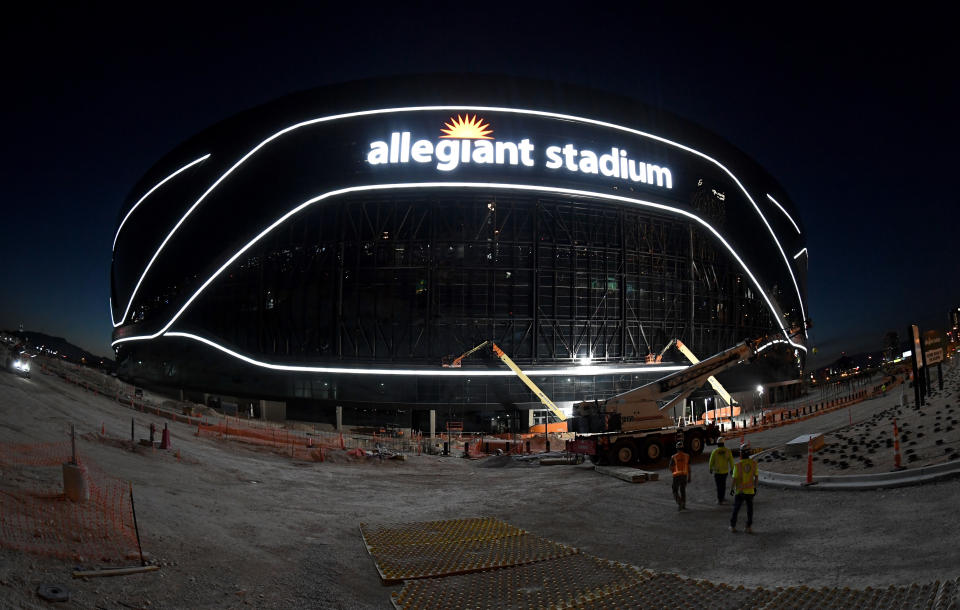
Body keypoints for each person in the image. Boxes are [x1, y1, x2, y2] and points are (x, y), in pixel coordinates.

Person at [729, 443, 759, 533]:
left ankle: (733, 526)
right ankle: (748, 527)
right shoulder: (754, 464)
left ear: (741, 453)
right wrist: (755, 488)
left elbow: (734, 479)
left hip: (740, 491)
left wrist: (731, 489)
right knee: (750, 510)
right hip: (750, 491)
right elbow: (756, 477)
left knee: (736, 509)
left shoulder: (737, 465)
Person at [708, 438, 735, 504]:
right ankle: (722, 497)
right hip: (725, 471)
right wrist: (732, 469)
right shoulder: (728, 451)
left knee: (718, 486)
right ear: (723, 443)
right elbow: (731, 461)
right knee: (723, 485)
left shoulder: (715, 451)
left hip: (717, 472)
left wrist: (710, 468)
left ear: (717, 444)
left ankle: (720, 499)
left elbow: (711, 461)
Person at [669, 441, 691, 511]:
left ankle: (679, 502)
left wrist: (673, 472)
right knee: (683, 490)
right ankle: (683, 504)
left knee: (675, 490)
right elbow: (689, 467)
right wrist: (689, 476)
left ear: (677, 448)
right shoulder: (687, 456)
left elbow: (670, 467)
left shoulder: (674, 457)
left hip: (676, 476)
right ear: (683, 448)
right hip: (684, 475)